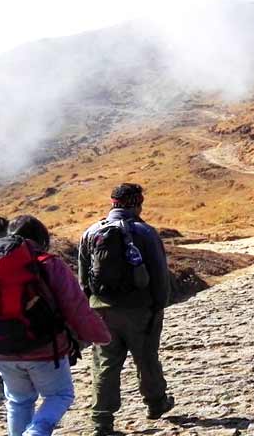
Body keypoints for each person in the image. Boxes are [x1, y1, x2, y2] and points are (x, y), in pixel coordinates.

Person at [0, 215, 111, 436]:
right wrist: (100, 334)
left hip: (2, 350)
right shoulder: (48, 264)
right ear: (41, 237)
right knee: (59, 395)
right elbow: (75, 305)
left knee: (18, 401)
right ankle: (35, 432)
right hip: (45, 348)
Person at [77, 183, 175, 435]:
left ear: (113, 203)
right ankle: (155, 404)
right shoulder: (145, 232)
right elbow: (159, 275)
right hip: (140, 310)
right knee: (146, 359)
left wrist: (93, 305)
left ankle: (102, 420)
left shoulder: (91, 232)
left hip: (102, 311)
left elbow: (83, 279)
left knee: (105, 363)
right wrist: (159, 305)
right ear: (137, 203)